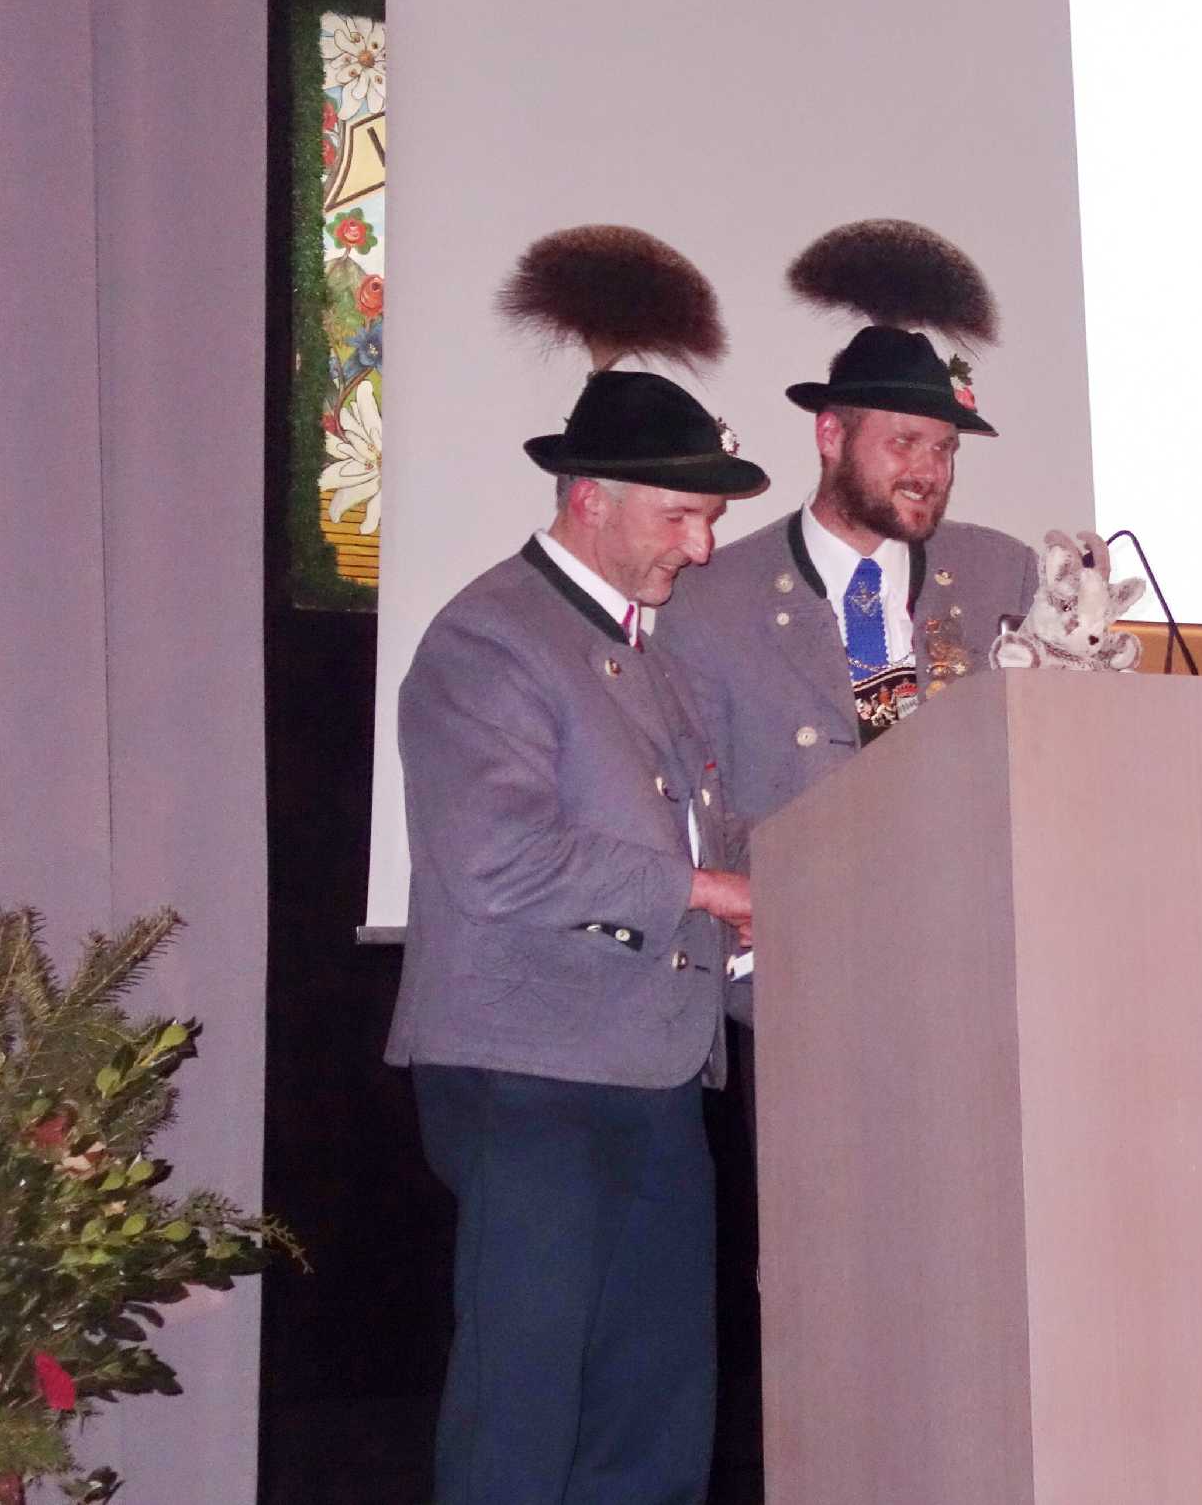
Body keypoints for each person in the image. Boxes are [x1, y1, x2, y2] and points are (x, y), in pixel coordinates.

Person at [384, 226, 771, 1505]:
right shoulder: (488, 640)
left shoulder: (646, 650)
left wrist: (776, 902)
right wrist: (702, 893)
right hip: (529, 1075)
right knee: (526, 1409)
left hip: (648, 1072)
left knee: (653, 1417)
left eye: (710, 520)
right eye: (683, 516)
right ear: (588, 498)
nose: (702, 548)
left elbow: (705, 836)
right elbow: (495, 859)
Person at [663, 219, 1043, 825]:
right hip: (794, 883)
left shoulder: (1002, 573)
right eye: (904, 442)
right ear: (831, 436)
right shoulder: (713, 602)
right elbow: (693, 809)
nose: (930, 471)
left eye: (945, 448)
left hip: (970, 880)